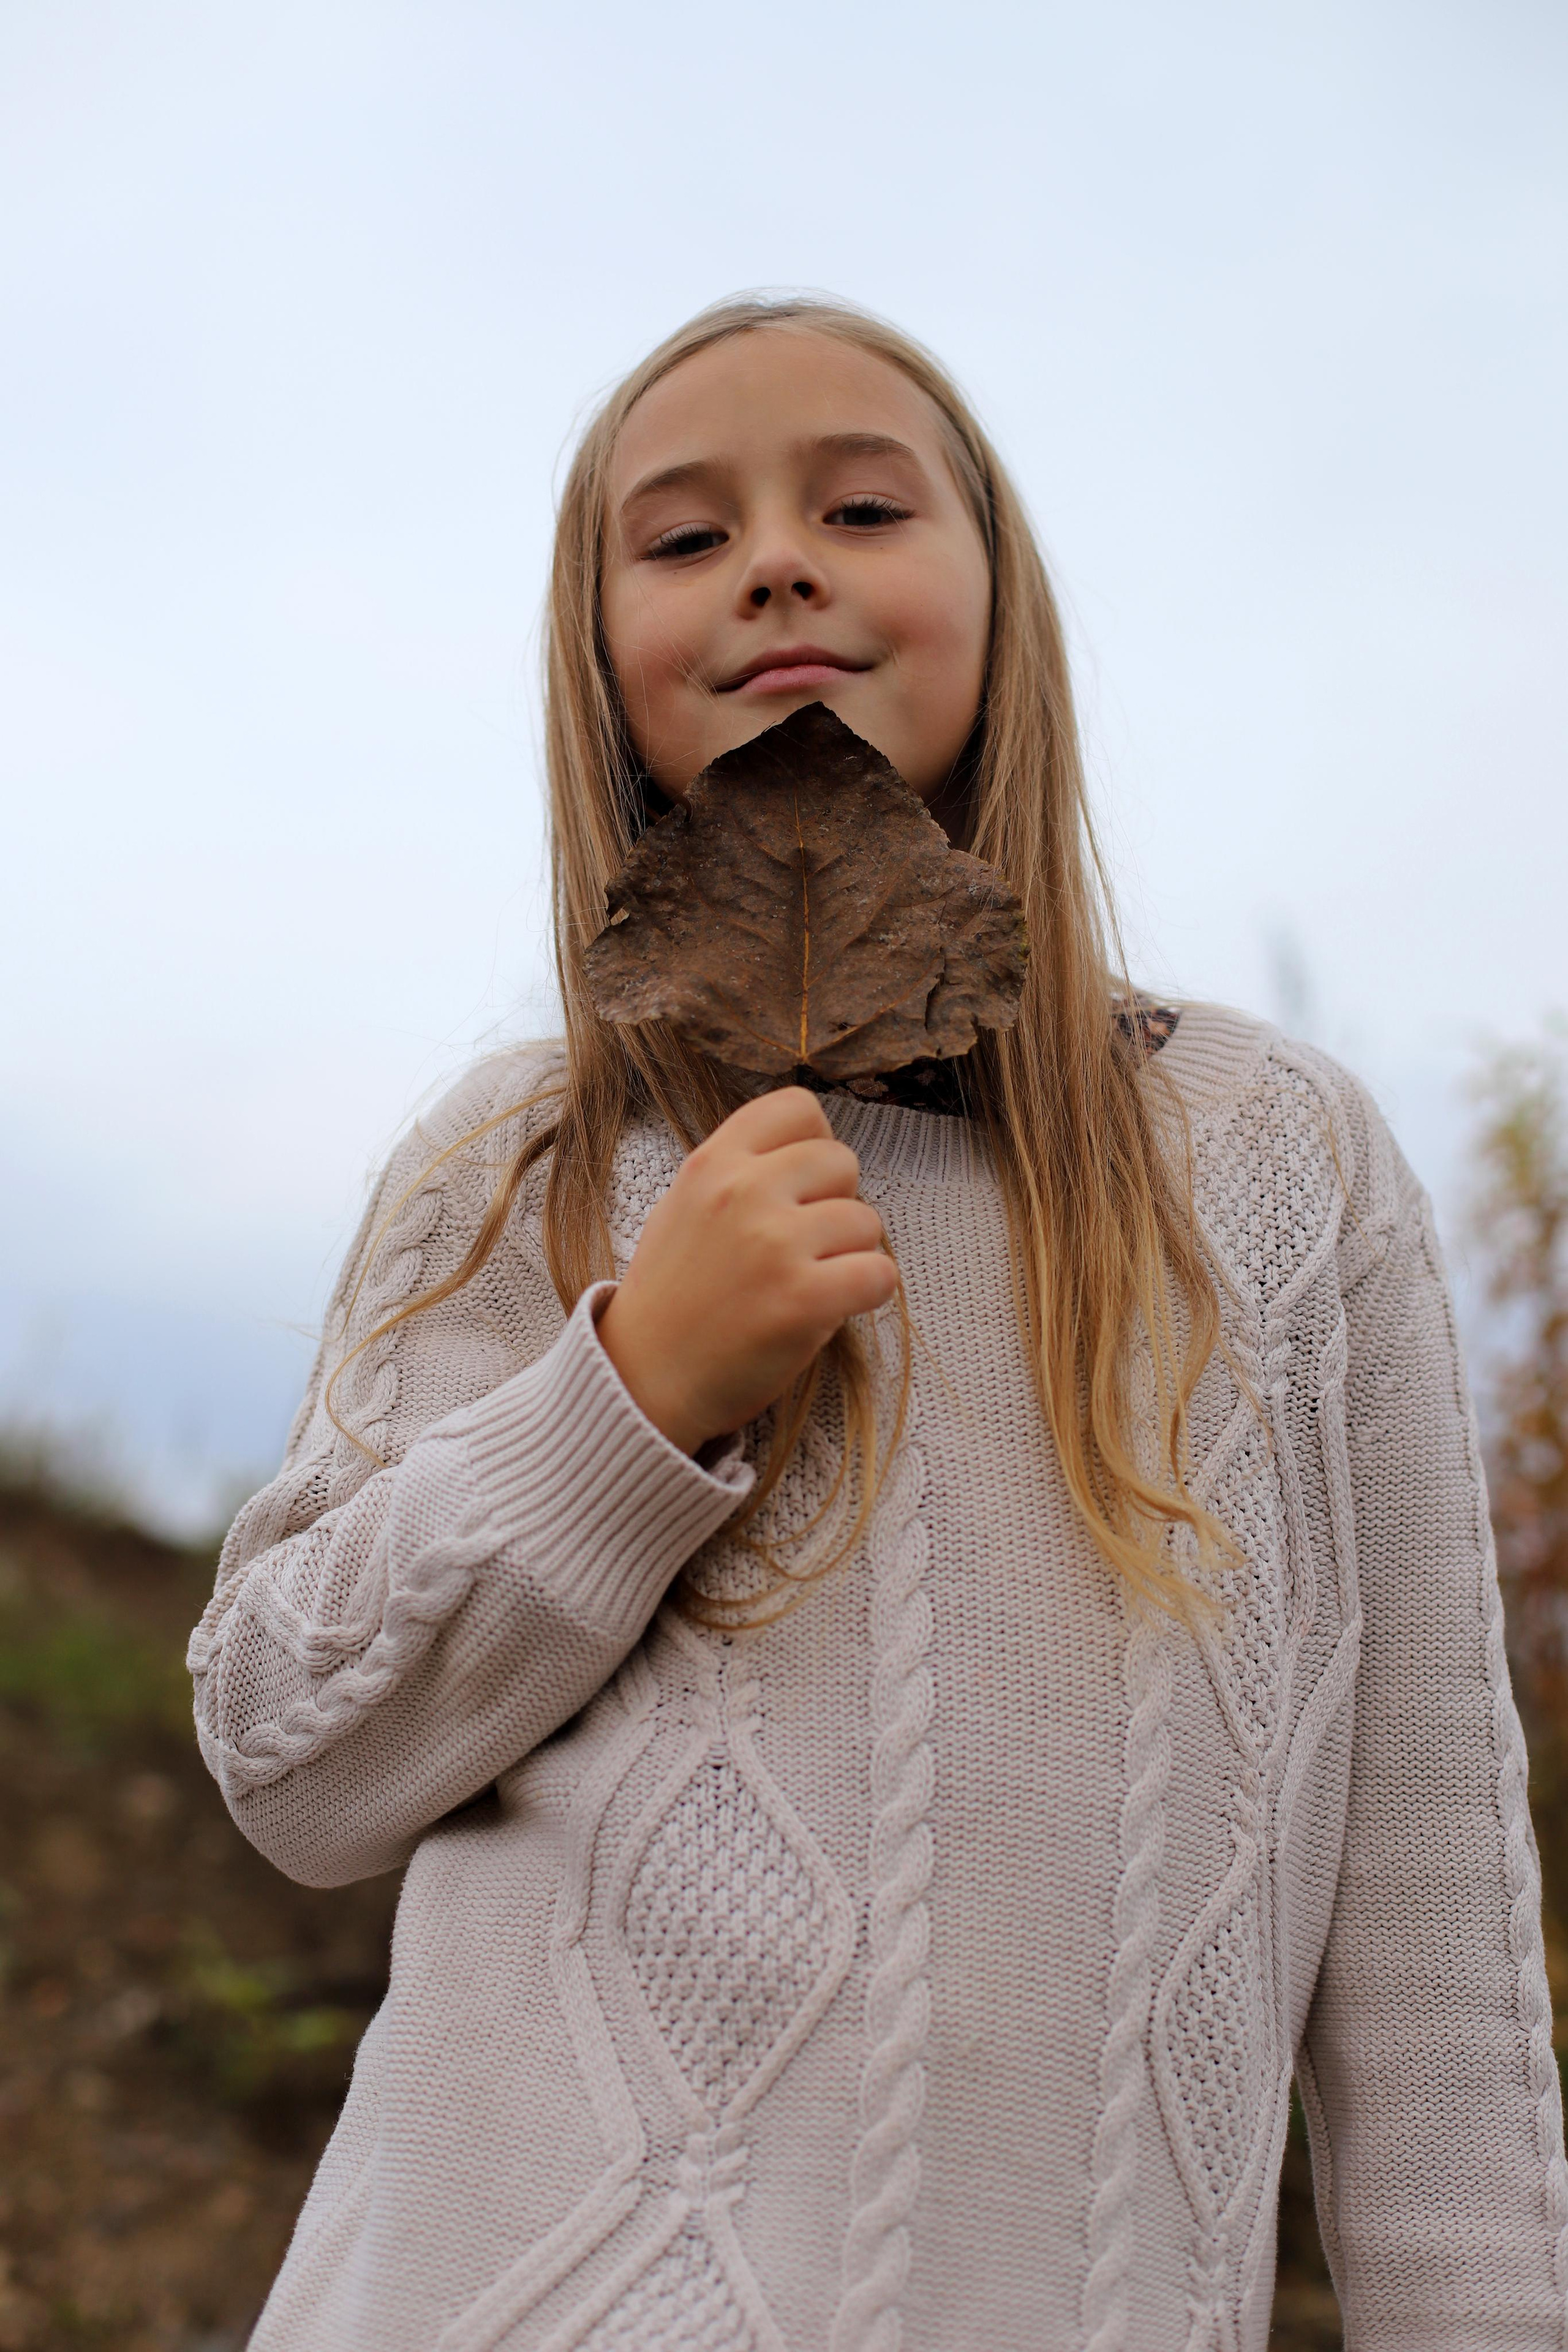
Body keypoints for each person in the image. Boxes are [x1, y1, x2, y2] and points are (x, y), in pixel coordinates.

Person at [189, 295, 1568, 2351]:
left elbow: (1433, 1945)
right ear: (599, 668)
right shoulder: (522, 1161)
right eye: (680, 538)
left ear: (1001, 599)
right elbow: (289, 1757)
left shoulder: (1277, 1163)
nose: (776, 558)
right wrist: (630, 1397)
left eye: (858, 502)